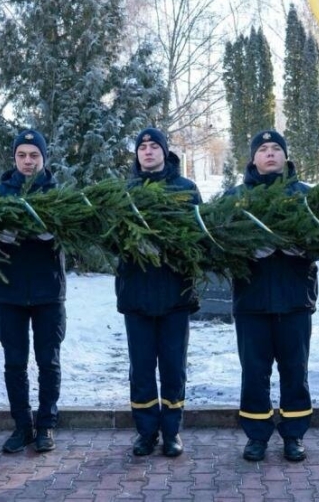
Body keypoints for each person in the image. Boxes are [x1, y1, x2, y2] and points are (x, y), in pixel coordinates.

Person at [224, 130, 318, 462]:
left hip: (295, 300)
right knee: (254, 371)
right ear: (253, 158)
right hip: (252, 302)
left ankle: (294, 436)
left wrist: (303, 247)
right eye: (262, 149)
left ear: (285, 156)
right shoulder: (235, 198)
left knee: (295, 370)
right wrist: (247, 249)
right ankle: (257, 436)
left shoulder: (305, 196)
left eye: (276, 148)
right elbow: (218, 245)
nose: (270, 153)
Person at [115, 127, 201, 457]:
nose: (148, 151)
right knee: (141, 367)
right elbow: (110, 240)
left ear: (166, 152)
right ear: (136, 154)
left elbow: (199, 238)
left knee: (173, 367)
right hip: (135, 294)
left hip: (174, 295)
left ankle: (172, 432)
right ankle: (146, 432)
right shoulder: (123, 193)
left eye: (154, 146)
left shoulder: (186, 189)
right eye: (142, 147)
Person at [0, 129, 67, 454]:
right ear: (14, 158)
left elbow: (77, 239)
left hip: (49, 292)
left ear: (43, 158)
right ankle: (22, 426)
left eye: (34, 155)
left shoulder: (59, 195)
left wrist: (56, 235)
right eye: (22, 155)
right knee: (14, 362)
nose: (28, 161)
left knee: (48, 361)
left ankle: (46, 425)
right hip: (10, 293)